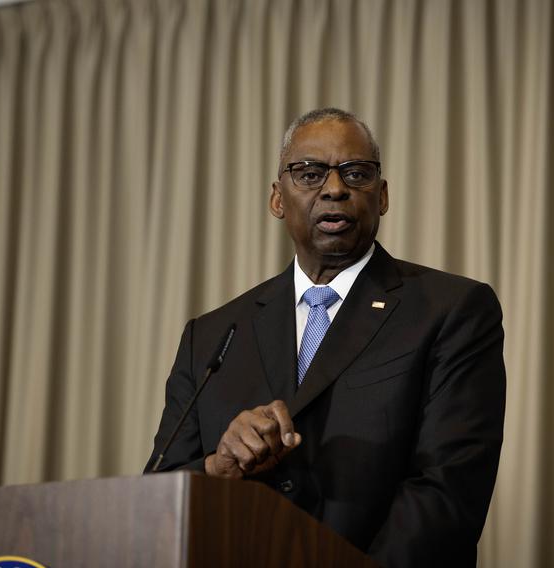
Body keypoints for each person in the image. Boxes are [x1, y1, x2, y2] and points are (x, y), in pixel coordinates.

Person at [146, 108, 506, 567]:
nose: (334, 189)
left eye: (356, 174)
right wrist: (219, 468)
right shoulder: (213, 335)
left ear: (383, 196)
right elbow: (161, 494)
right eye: (309, 173)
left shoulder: (451, 310)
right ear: (277, 199)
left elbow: (447, 492)